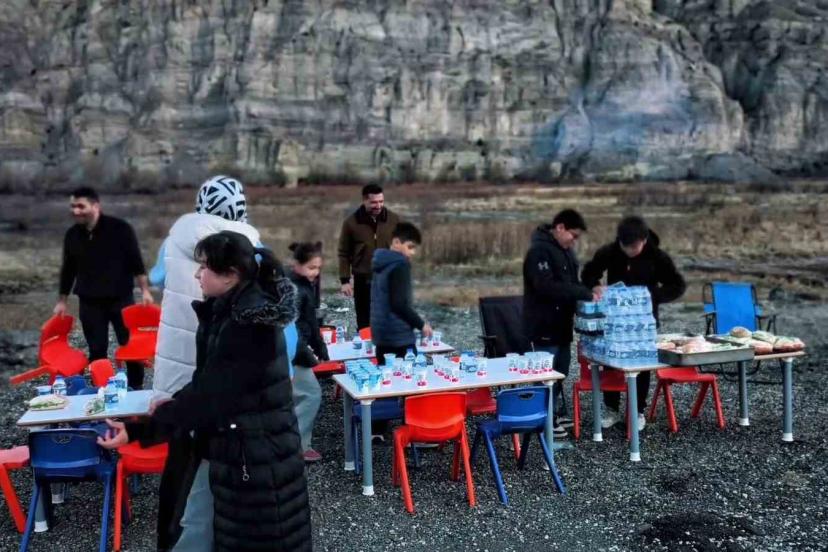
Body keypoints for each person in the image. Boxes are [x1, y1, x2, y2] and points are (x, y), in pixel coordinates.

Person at [98, 230, 312, 552]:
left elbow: (211, 396)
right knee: (197, 524)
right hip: (234, 447)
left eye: (205, 267)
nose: (198, 274)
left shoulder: (248, 327)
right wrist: (173, 404)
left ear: (230, 275)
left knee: (259, 538)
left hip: (255, 459)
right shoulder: (228, 310)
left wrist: (141, 429)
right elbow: (209, 381)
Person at [148, 175, 299, 550]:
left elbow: (155, 278)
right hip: (228, 396)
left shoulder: (176, 238)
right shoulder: (246, 248)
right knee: (223, 484)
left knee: (183, 477)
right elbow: (283, 332)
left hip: (179, 378)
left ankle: (173, 539)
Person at [581, 215, 687, 431]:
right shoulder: (609, 252)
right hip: (614, 320)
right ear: (619, 241)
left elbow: (677, 284)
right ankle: (611, 408)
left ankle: (637, 410)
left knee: (642, 364)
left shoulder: (658, 256)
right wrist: (595, 286)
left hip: (644, 321)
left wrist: (653, 296)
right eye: (626, 246)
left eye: (635, 247)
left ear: (644, 240)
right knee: (610, 361)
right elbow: (588, 273)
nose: (630, 251)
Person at [55, 186, 152, 390]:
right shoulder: (72, 235)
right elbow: (68, 269)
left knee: (130, 346)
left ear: (95, 206)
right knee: (97, 349)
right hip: (89, 301)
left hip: (121, 298)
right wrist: (62, 301)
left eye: (81, 206)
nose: (76, 211)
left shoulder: (120, 229)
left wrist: (145, 291)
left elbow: (136, 261)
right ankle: (101, 391)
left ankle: (136, 388)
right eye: (73, 206)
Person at [522, 209, 596, 438]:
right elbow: (545, 287)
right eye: (573, 235)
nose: (574, 241)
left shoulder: (566, 252)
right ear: (560, 227)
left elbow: (573, 283)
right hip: (543, 324)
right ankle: (541, 417)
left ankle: (552, 412)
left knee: (561, 370)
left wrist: (588, 292)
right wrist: (582, 293)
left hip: (563, 323)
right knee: (545, 373)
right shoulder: (539, 252)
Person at [338, 183, 401, 330]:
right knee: (364, 320)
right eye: (374, 202)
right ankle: (366, 342)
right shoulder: (351, 223)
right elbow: (344, 252)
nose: (378, 206)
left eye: (381, 201)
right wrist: (345, 280)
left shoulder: (394, 220)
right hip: (362, 278)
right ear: (365, 200)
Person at [288, 241, 329, 463]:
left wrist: (320, 347)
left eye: (318, 268)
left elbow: (311, 322)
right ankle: (296, 446)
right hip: (294, 353)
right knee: (311, 394)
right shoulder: (294, 289)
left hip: (299, 349)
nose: (316, 272)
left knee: (298, 397)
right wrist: (307, 354)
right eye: (311, 267)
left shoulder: (305, 285)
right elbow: (290, 328)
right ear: (296, 264)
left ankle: (297, 443)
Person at [370, 222, 433, 362]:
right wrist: (421, 324)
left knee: (385, 373)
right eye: (410, 247)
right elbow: (399, 304)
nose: (412, 252)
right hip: (399, 337)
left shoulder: (380, 263)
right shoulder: (400, 265)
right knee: (408, 374)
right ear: (396, 242)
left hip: (381, 336)